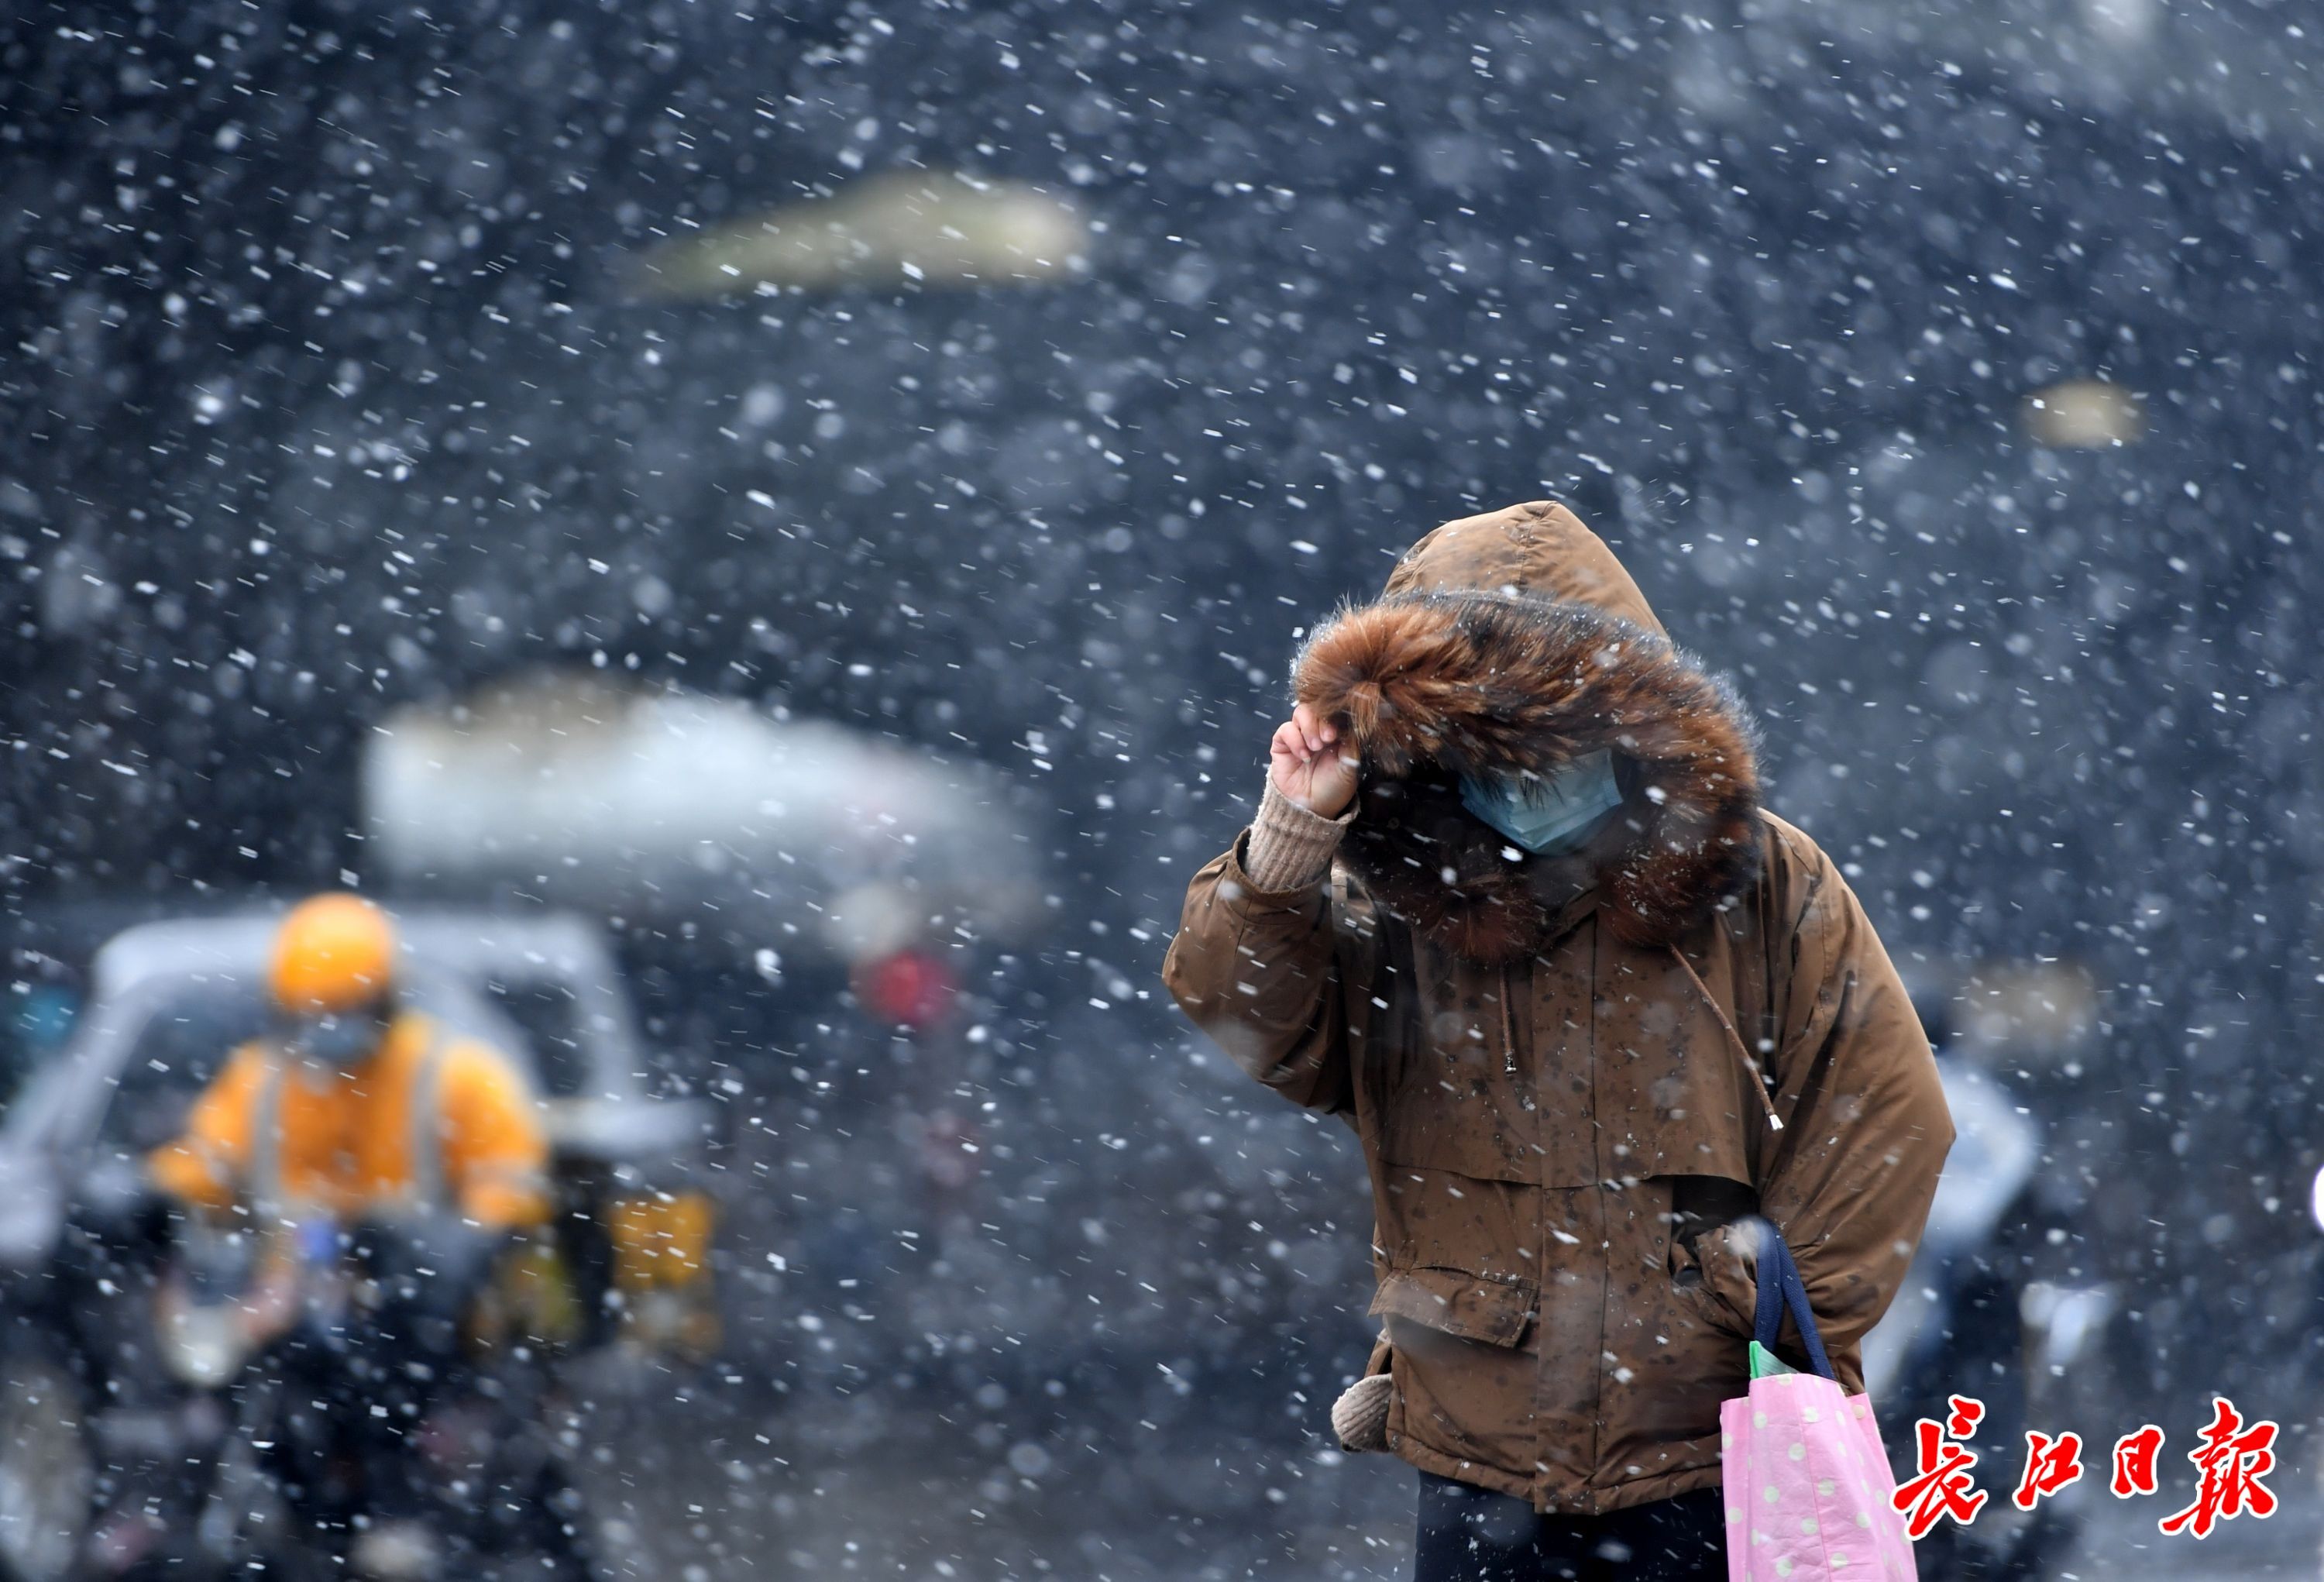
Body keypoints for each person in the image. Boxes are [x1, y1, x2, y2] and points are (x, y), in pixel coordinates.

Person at [1163, 501, 1954, 1582]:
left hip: (1709, 1453)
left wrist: (1769, 1321)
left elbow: (1886, 1114)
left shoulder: (1761, 879)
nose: (1525, 765)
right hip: (1477, 1450)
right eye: (1485, 730)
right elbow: (1251, 1022)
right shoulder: (1391, 886)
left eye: (1549, 725)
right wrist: (1293, 833)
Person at [148, 892, 554, 1577]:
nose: (327, 1034)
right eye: (311, 1018)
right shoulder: (263, 1081)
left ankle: (399, 1518)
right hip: (290, 1310)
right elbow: (203, 1166)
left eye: (345, 1015)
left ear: (386, 1002)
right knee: (233, 1410)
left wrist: (447, 1245)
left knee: (387, 1382)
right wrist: (147, 1199)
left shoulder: (452, 1077)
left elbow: (512, 1185)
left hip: (422, 1322)